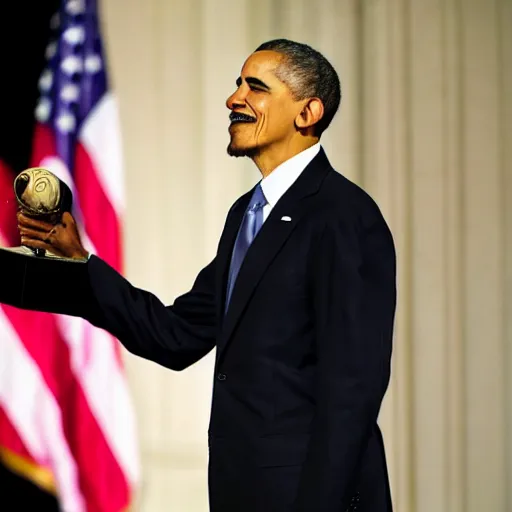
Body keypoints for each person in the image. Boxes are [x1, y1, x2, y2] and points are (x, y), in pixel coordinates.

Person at [14, 39, 396, 511]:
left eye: (255, 87)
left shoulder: (344, 217)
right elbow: (175, 336)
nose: (234, 99)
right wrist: (78, 263)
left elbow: (351, 391)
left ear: (307, 112)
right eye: (238, 84)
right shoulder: (248, 215)